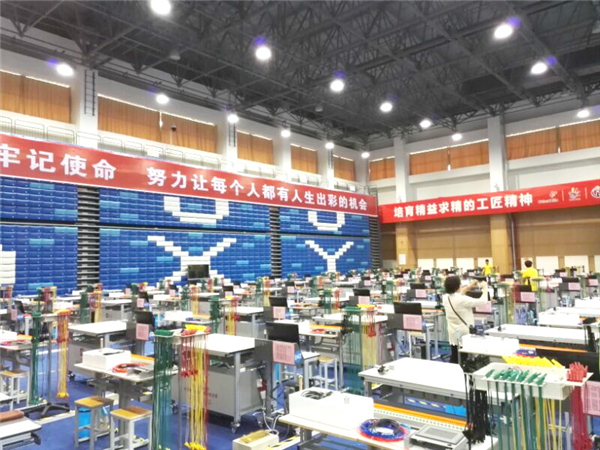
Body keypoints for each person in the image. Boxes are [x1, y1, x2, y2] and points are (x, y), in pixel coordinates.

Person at [443, 275, 489, 364]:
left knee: (455, 354)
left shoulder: (445, 297)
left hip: (453, 332)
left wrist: (468, 287)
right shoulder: (462, 300)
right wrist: (485, 288)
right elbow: (482, 301)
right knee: (462, 357)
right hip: (463, 332)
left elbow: (458, 296)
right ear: (458, 286)